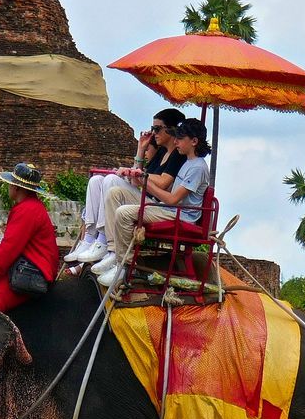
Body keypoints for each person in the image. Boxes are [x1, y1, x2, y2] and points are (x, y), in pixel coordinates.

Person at [92, 117, 211, 290]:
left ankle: (125, 265)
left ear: (194, 141)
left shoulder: (198, 167)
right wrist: (141, 177)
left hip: (181, 214)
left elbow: (172, 199)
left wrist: (144, 183)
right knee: (115, 192)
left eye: (180, 138)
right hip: (169, 208)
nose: (175, 141)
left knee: (124, 213)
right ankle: (112, 250)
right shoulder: (187, 162)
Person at [65, 107, 186, 266]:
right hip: (145, 195)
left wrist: (136, 174)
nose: (154, 133)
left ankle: (103, 239)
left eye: (157, 129)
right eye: (152, 129)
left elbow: (163, 182)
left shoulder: (178, 155)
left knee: (110, 181)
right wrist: (140, 150)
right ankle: (89, 238)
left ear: (171, 130)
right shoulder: (161, 152)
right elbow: (139, 175)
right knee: (96, 181)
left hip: (156, 203)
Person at [0, 161, 62, 313]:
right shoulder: (30, 206)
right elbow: (15, 245)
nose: (8, 187)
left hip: (33, 271)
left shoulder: (28, 210)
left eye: (10, 184)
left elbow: (10, 247)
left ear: (17, 187)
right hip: (27, 265)